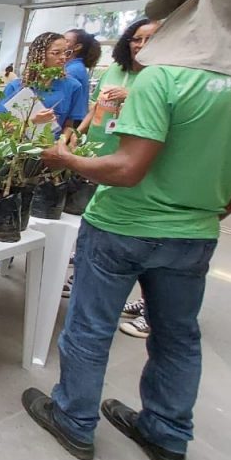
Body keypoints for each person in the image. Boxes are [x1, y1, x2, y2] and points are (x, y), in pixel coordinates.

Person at [21, 0, 231, 460]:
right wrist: (200, 214)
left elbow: (126, 168)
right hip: (196, 233)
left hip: (123, 226)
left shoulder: (166, 78)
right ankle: (167, 435)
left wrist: (64, 159)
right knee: (178, 336)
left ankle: (74, 419)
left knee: (91, 328)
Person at [76, 17, 159, 338]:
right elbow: (96, 107)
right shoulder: (116, 70)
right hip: (100, 152)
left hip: (131, 161)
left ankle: (148, 304)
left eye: (149, 40)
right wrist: (76, 136)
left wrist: (132, 97)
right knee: (94, 219)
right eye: (136, 39)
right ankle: (85, 273)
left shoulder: (162, 78)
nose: (140, 46)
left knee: (140, 238)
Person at [0, 32, 88, 138]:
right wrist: (33, 121)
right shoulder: (16, 87)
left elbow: (70, 125)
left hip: (52, 148)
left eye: (66, 52)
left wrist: (61, 143)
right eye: (56, 53)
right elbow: (1, 126)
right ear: (40, 55)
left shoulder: (73, 86)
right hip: (17, 147)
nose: (63, 57)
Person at [64, 28, 102, 97]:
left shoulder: (73, 70)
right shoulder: (75, 67)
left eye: (66, 41)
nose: (61, 43)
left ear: (77, 47)